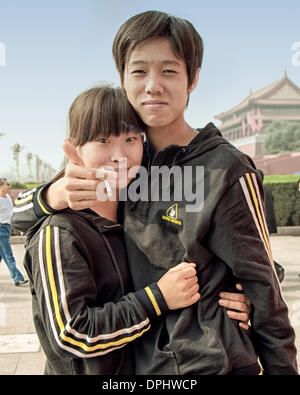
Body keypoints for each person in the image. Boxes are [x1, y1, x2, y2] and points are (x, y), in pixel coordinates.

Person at [12, 11, 297, 375]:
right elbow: (23, 217)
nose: (152, 86)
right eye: (139, 71)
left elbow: (263, 279)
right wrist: (53, 195)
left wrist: (251, 299)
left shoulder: (224, 169)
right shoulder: (127, 163)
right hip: (143, 364)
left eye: (169, 71)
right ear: (123, 78)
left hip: (209, 363)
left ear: (192, 79)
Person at [22, 85, 202, 375]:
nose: (119, 155)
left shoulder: (138, 215)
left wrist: (232, 298)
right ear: (74, 150)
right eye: (103, 140)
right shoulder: (60, 231)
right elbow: (72, 335)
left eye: (130, 138)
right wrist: (156, 298)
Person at [257, 169, 285, 282]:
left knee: (261, 249)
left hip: (260, 223)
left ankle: (275, 270)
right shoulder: (268, 190)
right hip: (270, 223)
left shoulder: (255, 190)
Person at [0, 178, 28, 286]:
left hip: (7, 228)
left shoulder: (7, 197)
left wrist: (18, 227)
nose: (9, 186)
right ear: (1, 186)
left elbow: (11, 215)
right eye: (7, 184)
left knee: (2, 255)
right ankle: (18, 278)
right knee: (8, 255)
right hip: (0, 229)